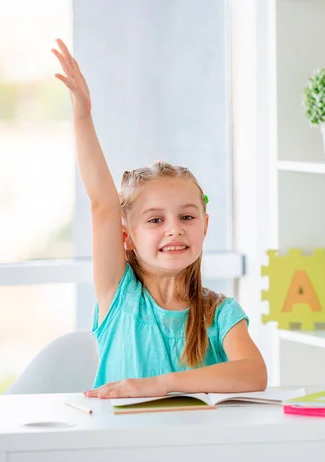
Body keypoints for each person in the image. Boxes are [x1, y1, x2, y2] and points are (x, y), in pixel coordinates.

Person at [51, 38, 267, 399]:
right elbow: (103, 203)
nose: (174, 229)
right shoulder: (119, 295)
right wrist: (82, 116)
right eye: (154, 220)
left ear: (205, 226)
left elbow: (254, 373)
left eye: (187, 216)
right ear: (126, 237)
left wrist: (160, 385)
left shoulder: (220, 313)